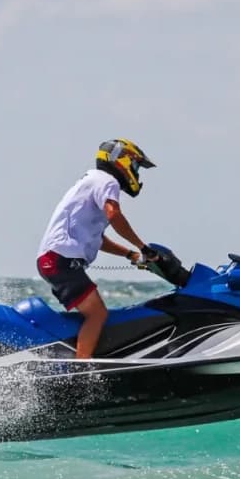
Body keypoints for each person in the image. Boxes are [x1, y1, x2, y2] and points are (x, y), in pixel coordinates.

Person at [37, 138, 158, 359]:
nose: (136, 171)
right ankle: (82, 369)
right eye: (136, 165)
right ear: (121, 160)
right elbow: (114, 215)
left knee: (93, 312)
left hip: (56, 258)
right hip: (59, 258)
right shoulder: (107, 181)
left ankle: (77, 355)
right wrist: (143, 247)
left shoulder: (93, 181)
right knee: (97, 314)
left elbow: (97, 239)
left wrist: (130, 254)